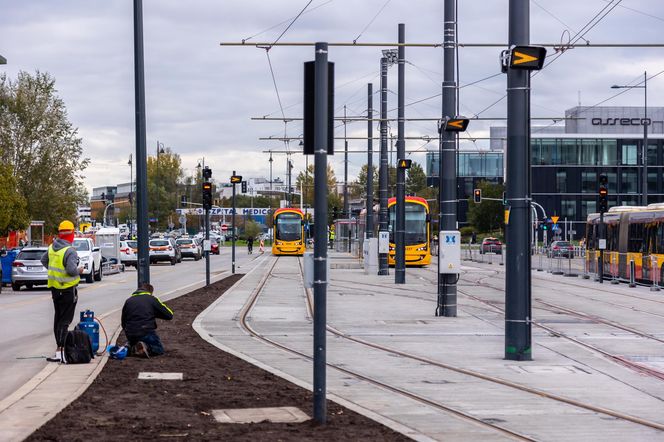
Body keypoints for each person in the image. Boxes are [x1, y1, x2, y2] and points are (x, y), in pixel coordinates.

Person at [42, 220, 82, 363]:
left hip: (55, 289)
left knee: (58, 319)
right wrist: (79, 270)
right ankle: (62, 351)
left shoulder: (52, 247)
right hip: (67, 290)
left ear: (60, 233)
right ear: (71, 233)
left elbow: (43, 260)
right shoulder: (70, 251)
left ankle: (58, 351)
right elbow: (71, 270)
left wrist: (55, 274)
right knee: (65, 321)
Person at [121, 283, 173, 358]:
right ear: (150, 292)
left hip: (130, 333)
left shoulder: (128, 301)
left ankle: (130, 347)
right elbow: (169, 315)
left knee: (134, 340)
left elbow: (123, 322)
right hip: (146, 332)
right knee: (159, 349)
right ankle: (146, 347)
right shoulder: (151, 299)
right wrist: (154, 312)